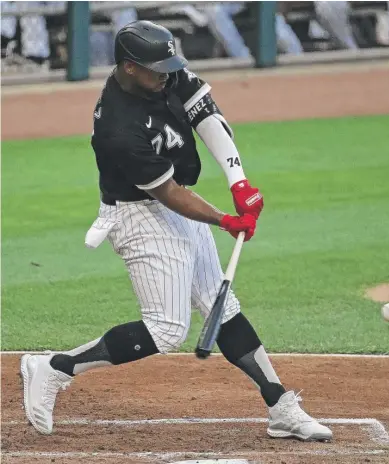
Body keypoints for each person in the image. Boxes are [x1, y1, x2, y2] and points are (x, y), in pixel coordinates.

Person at [20, 20, 333, 443]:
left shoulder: (164, 75)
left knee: (222, 307)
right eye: (157, 67)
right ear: (130, 67)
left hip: (175, 197)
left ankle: (280, 406)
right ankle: (54, 368)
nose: (168, 73)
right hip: (138, 214)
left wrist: (238, 183)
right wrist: (225, 219)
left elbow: (208, 118)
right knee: (167, 329)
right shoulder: (117, 127)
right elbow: (166, 193)